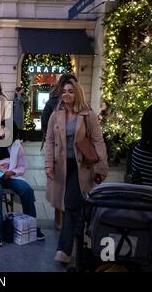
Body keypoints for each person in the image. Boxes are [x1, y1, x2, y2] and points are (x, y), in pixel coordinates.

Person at [44, 79, 108, 264]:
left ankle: (64, 250)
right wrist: (49, 164)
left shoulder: (88, 114)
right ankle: (79, 238)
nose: (66, 94)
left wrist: (102, 167)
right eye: (64, 91)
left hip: (82, 167)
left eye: (71, 91)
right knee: (72, 205)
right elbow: (49, 141)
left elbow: (98, 141)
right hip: (62, 166)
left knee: (71, 205)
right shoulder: (56, 114)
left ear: (77, 93)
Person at [0, 125, 45, 246]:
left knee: (27, 190)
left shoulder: (16, 146)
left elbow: (22, 166)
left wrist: (12, 172)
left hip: (9, 174)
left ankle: (31, 227)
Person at [40, 73, 78, 231]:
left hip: (73, 156)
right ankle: (63, 222)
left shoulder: (81, 107)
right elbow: (47, 131)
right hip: (59, 155)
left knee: (63, 190)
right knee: (62, 189)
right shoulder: (54, 105)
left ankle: (61, 221)